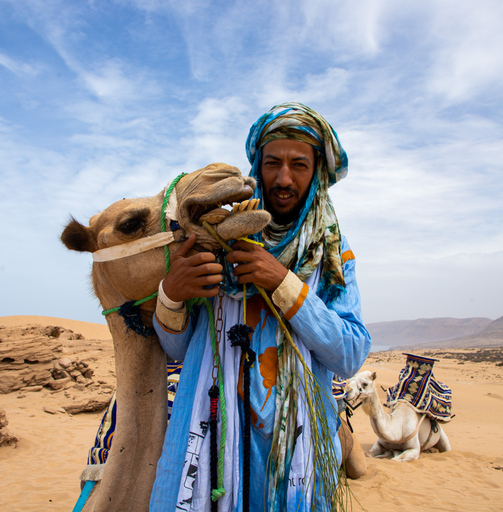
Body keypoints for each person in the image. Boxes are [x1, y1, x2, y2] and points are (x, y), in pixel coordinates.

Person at [150, 102, 371, 512]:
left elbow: (351, 354)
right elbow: (179, 352)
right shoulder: (215, 241)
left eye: (299, 165)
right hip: (214, 436)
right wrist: (172, 295)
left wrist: (283, 283)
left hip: (297, 452)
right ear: (256, 165)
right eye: (272, 163)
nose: (283, 178)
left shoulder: (332, 260)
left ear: (318, 171)